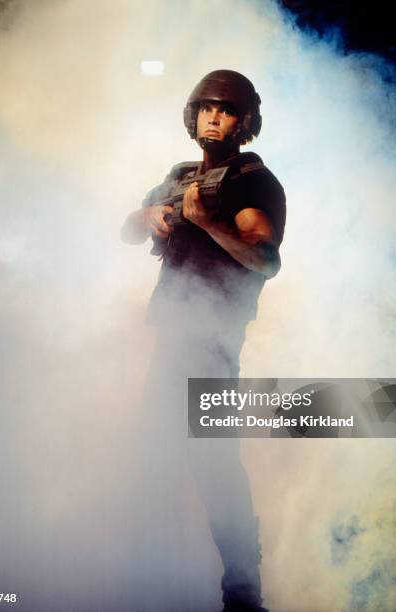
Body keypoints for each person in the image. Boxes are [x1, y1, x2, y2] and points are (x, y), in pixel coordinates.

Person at [122, 70, 286, 612]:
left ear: (245, 122)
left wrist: (211, 224)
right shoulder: (179, 176)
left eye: (228, 110)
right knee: (155, 457)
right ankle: (158, 581)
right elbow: (127, 228)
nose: (215, 117)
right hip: (173, 334)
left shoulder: (250, 182)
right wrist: (146, 215)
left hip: (212, 341)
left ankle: (243, 592)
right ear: (194, 115)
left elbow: (265, 259)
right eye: (208, 108)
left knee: (213, 465)